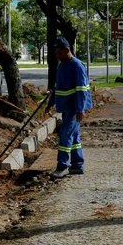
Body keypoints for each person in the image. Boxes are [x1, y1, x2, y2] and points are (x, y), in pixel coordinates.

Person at [48, 36, 92, 177]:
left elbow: (81, 89)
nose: (58, 56)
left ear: (67, 50)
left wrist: (80, 109)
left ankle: (62, 166)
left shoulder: (77, 66)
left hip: (74, 108)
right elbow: (57, 86)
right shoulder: (62, 65)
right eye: (56, 54)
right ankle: (77, 165)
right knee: (73, 136)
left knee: (65, 134)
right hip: (65, 106)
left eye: (60, 53)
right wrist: (50, 103)